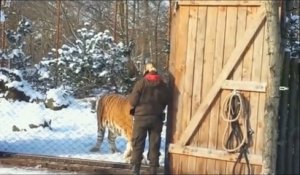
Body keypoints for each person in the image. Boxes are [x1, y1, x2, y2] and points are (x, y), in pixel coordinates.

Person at [128, 63, 170, 175]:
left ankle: (135, 170)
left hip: (141, 119)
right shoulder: (162, 84)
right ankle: (153, 170)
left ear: (146, 71)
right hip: (156, 119)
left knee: (137, 143)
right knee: (154, 144)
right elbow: (167, 100)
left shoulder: (141, 83)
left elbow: (132, 101)